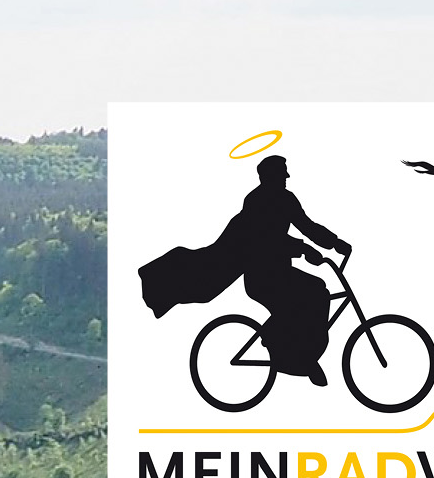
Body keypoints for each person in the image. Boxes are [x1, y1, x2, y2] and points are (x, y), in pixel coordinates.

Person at [142, 155, 354, 385]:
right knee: (312, 295)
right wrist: (302, 249)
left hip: (279, 273)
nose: (286, 178)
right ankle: (287, 353)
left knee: (316, 292)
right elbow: (266, 240)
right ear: (269, 177)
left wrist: (334, 243)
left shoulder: (286, 199)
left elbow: (307, 226)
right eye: (281, 174)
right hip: (261, 277)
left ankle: (301, 355)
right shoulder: (256, 201)